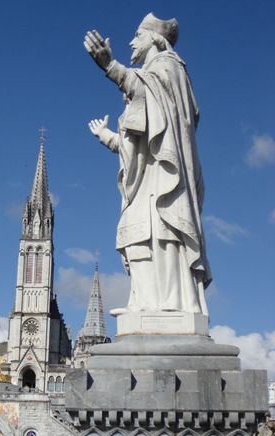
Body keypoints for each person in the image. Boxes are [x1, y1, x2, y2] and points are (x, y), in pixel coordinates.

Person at [84, 14, 210, 316]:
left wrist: (111, 66)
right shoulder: (149, 77)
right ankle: (144, 302)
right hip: (147, 175)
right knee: (135, 231)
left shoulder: (169, 67)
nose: (131, 41)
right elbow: (139, 141)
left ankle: (171, 305)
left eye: (137, 35)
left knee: (162, 229)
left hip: (166, 177)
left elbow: (153, 103)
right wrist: (108, 137)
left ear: (155, 38)